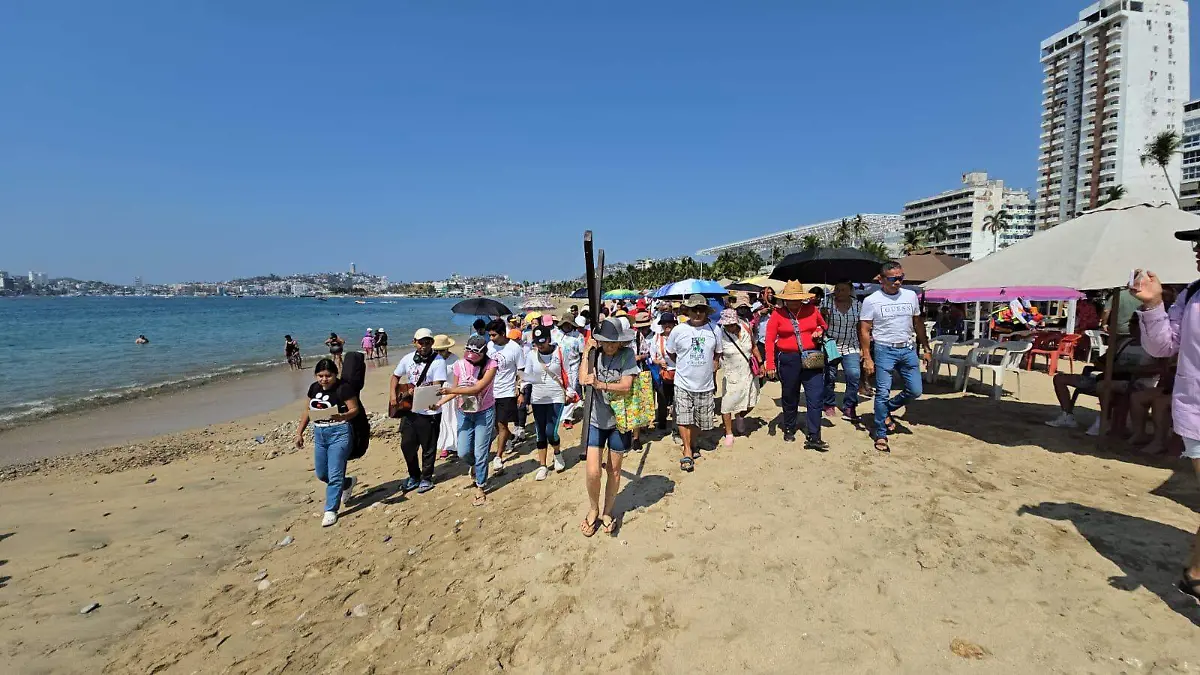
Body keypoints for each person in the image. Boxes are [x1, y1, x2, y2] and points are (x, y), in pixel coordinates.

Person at [1133, 233, 1200, 601]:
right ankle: (1195, 575)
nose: (1199, 252)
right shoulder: (1191, 295)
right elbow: (1162, 346)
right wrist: (1155, 304)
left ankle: (1194, 571)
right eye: (1197, 246)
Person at [860, 261, 931, 453]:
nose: (898, 282)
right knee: (882, 392)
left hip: (908, 349)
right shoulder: (872, 300)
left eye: (901, 277)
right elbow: (865, 330)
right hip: (884, 350)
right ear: (881, 279)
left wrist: (926, 347)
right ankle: (880, 433)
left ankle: (886, 410)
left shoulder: (910, 296)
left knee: (915, 390)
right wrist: (867, 357)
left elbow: (918, 323)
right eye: (893, 278)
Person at [578, 319, 641, 536]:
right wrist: (587, 353)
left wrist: (601, 384)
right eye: (606, 342)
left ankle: (607, 511)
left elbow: (626, 385)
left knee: (613, 470)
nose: (611, 346)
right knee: (593, 471)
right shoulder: (595, 355)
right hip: (596, 420)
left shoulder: (627, 355)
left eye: (614, 342)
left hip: (619, 421)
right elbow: (582, 379)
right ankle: (593, 508)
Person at [1046, 317, 1159, 435]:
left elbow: (1157, 369)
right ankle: (1067, 415)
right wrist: (1107, 367)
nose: (1130, 327)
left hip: (1135, 383)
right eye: (1130, 323)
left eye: (1133, 324)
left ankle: (1105, 419)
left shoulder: (1153, 348)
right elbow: (1100, 360)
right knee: (1060, 378)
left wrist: (1129, 370)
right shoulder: (1124, 343)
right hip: (1111, 377)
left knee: (1104, 386)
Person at [294, 358, 360, 527]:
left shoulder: (343, 388)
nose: (324, 379)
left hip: (339, 432)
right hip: (320, 433)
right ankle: (348, 483)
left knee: (335, 473)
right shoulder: (314, 388)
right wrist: (299, 433)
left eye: (328, 376)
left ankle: (331, 510)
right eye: (320, 376)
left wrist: (343, 416)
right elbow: (308, 411)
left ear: (335, 375)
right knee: (322, 474)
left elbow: (354, 409)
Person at [764, 281, 828, 450]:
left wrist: (819, 330)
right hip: (788, 359)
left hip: (812, 355)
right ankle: (790, 427)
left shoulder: (812, 310)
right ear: (784, 299)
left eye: (797, 298)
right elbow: (770, 341)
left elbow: (823, 325)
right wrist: (770, 363)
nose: (793, 302)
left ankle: (814, 435)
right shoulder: (777, 314)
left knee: (815, 396)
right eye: (790, 299)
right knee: (790, 394)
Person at [436, 336, 498, 507]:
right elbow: (454, 392)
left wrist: (451, 389)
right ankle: (476, 467)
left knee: (480, 451)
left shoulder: (491, 365)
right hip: (464, 411)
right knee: (463, 451)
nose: (470, 358)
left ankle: (480, 485)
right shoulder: (459, 365)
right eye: (468, 353)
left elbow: (478, 388)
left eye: (475, 355)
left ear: (483, 353)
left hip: (484, 412)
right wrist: (439, 403)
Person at [666, 295, 723, 470]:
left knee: (699, 420)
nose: (698, 313)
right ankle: (687, 451)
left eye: (701, 309)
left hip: (705, 384)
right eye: (694, 309)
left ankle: (692, 442)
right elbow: (670, 352)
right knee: (683, 418)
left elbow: (718, 353)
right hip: (683, 382)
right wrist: (683, 365)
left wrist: (712, 369)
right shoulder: (678, 330)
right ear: (687, 311)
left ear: (706, 311)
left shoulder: (715, 329)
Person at [389, 328, 448, 494]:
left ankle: (426, 478)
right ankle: (414, 475)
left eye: (428, 342)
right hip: (410, 409)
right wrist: (393, 395)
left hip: (429, 411)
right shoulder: (407, 359)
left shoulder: (438, 362)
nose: (424, 345)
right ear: (414, 342)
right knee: (407, 445)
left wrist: (421, 391)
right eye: (421, 342)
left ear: (432, 343)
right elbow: (395, 377)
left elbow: (437, 385)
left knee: (428, 447)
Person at [523, 325, 570, 480]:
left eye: (542, 342)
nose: (540, 345)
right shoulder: (531, 355)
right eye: (537, 342)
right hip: (538, 398)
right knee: (540, 432)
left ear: (549, 339)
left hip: (556, 396)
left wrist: (569, 390)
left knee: (551, 431)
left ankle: (557, 453)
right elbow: (527, 376)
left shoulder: (560, 352)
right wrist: (523, 392)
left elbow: (567, 373)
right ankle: (543, 465)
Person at [717, 309, 761, 445]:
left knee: (752, 399)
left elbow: (753, 346)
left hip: (748, 372)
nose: (729, 327)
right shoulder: (720, 335)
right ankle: (729, 432)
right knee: (727, 405)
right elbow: (716, 356)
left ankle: (740, 416)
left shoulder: (746, 328)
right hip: (732, 374)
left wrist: (760, 362)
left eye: (731, 324)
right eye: (726, 325)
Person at [486, 319, 525, 474]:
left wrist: (521, 391)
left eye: (494, 335)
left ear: (503, 334)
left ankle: (498, 456)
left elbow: (521, 371)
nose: (491, 338)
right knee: (496, 425)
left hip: (506, 392)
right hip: (489, 391)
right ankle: (508, 439)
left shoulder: (515, 348)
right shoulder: (489, 346)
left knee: (501, 424)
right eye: (489, 335)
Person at [821, 280, 862, 423]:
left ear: (850, 291)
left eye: (843, 290)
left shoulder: (858, 305)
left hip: (851, 345)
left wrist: (863, 349)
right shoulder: (827, 303)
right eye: (837, 289)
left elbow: (861, 327)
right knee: (830, 376)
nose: (839, 293)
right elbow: (820, 324)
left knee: (854, 375)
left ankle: (849, 406)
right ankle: (828, 403)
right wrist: (823, 315)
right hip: (831, 345)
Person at [650, 312, 679, 440]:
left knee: (677, 401)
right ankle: (662, 425)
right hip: (663, 373)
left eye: (670, 323)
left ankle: (676, 429)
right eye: (665, 323)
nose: (667, 325)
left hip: (678, 373)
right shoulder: (656, 338)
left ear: (674, 324)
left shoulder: (679, 337)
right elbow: (652, 356)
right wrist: (659, 362)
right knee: (662, 400)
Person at [629, 312, 656, 451]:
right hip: (620, 377)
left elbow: (647, 353)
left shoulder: (638, 337)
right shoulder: (615, 341)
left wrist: (639, 357)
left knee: (636, 406)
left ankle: (635, 438)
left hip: (637, 374)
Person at [433, 335, 459, 460]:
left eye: (441, 350)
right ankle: (445, 445)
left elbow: (458, 379)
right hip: (439, 391)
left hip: (451, 390)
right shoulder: (434, 360)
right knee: (443, 419)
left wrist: (453, 391)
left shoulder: (455, 360)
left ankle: (455, 444)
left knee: (453, 417)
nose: (439, 353)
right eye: (437, 350)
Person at [558, 317, 585, 428]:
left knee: (571, 390)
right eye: (564, 324)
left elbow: (582, 353)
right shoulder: (556, 334)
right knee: (559, 390)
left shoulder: (578, 336)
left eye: (568, 324)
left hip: (573, 366)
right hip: (559, 366)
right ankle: (560, 413)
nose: (566, 326)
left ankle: (567, 418)